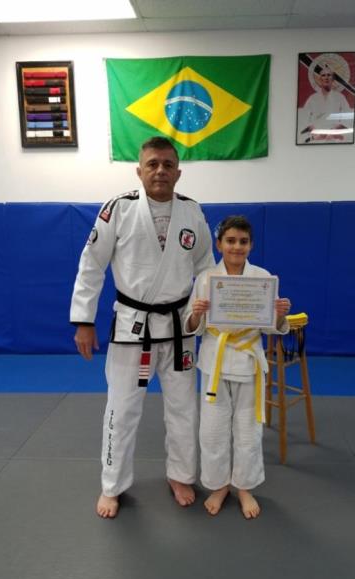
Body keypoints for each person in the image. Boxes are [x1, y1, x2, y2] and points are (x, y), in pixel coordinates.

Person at [70, 136, 215, 518]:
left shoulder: (192, 212)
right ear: (139, 171)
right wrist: (84, 320)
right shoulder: (118, 209)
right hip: (133, 329)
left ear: (178, 172)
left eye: (168, 165)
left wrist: (202, 316)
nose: (160, 171)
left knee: (183, 408)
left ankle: (180, 475)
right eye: (153, 164)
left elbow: (206, 268)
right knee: (122, 408)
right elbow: (91, 264)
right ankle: (112, 485)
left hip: (181, 327)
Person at [183, 216, 291, 519]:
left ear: (251, 245)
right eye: (230, 241)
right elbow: (192, 327)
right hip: (214, 363)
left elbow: (271, 327)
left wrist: (280, 314)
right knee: (212, 431)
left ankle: (244, 487)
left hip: (248, 362)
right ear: (219, 244)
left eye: (243, 241)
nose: (236, 247)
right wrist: (196, 313)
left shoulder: (262, 278)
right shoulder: (206, 278)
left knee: (248, 432)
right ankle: (219, 485)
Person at [300, 66, 352, 143]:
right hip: (316, 137)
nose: (326, 77)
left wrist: (333, 131)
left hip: (335, 137)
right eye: (323, 75)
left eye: (329, 75)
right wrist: (315, 131)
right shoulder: (313, 98)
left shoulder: (340, 97)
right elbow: (304, 118)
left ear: (333, 79)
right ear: (320, 79)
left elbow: (347, 118)